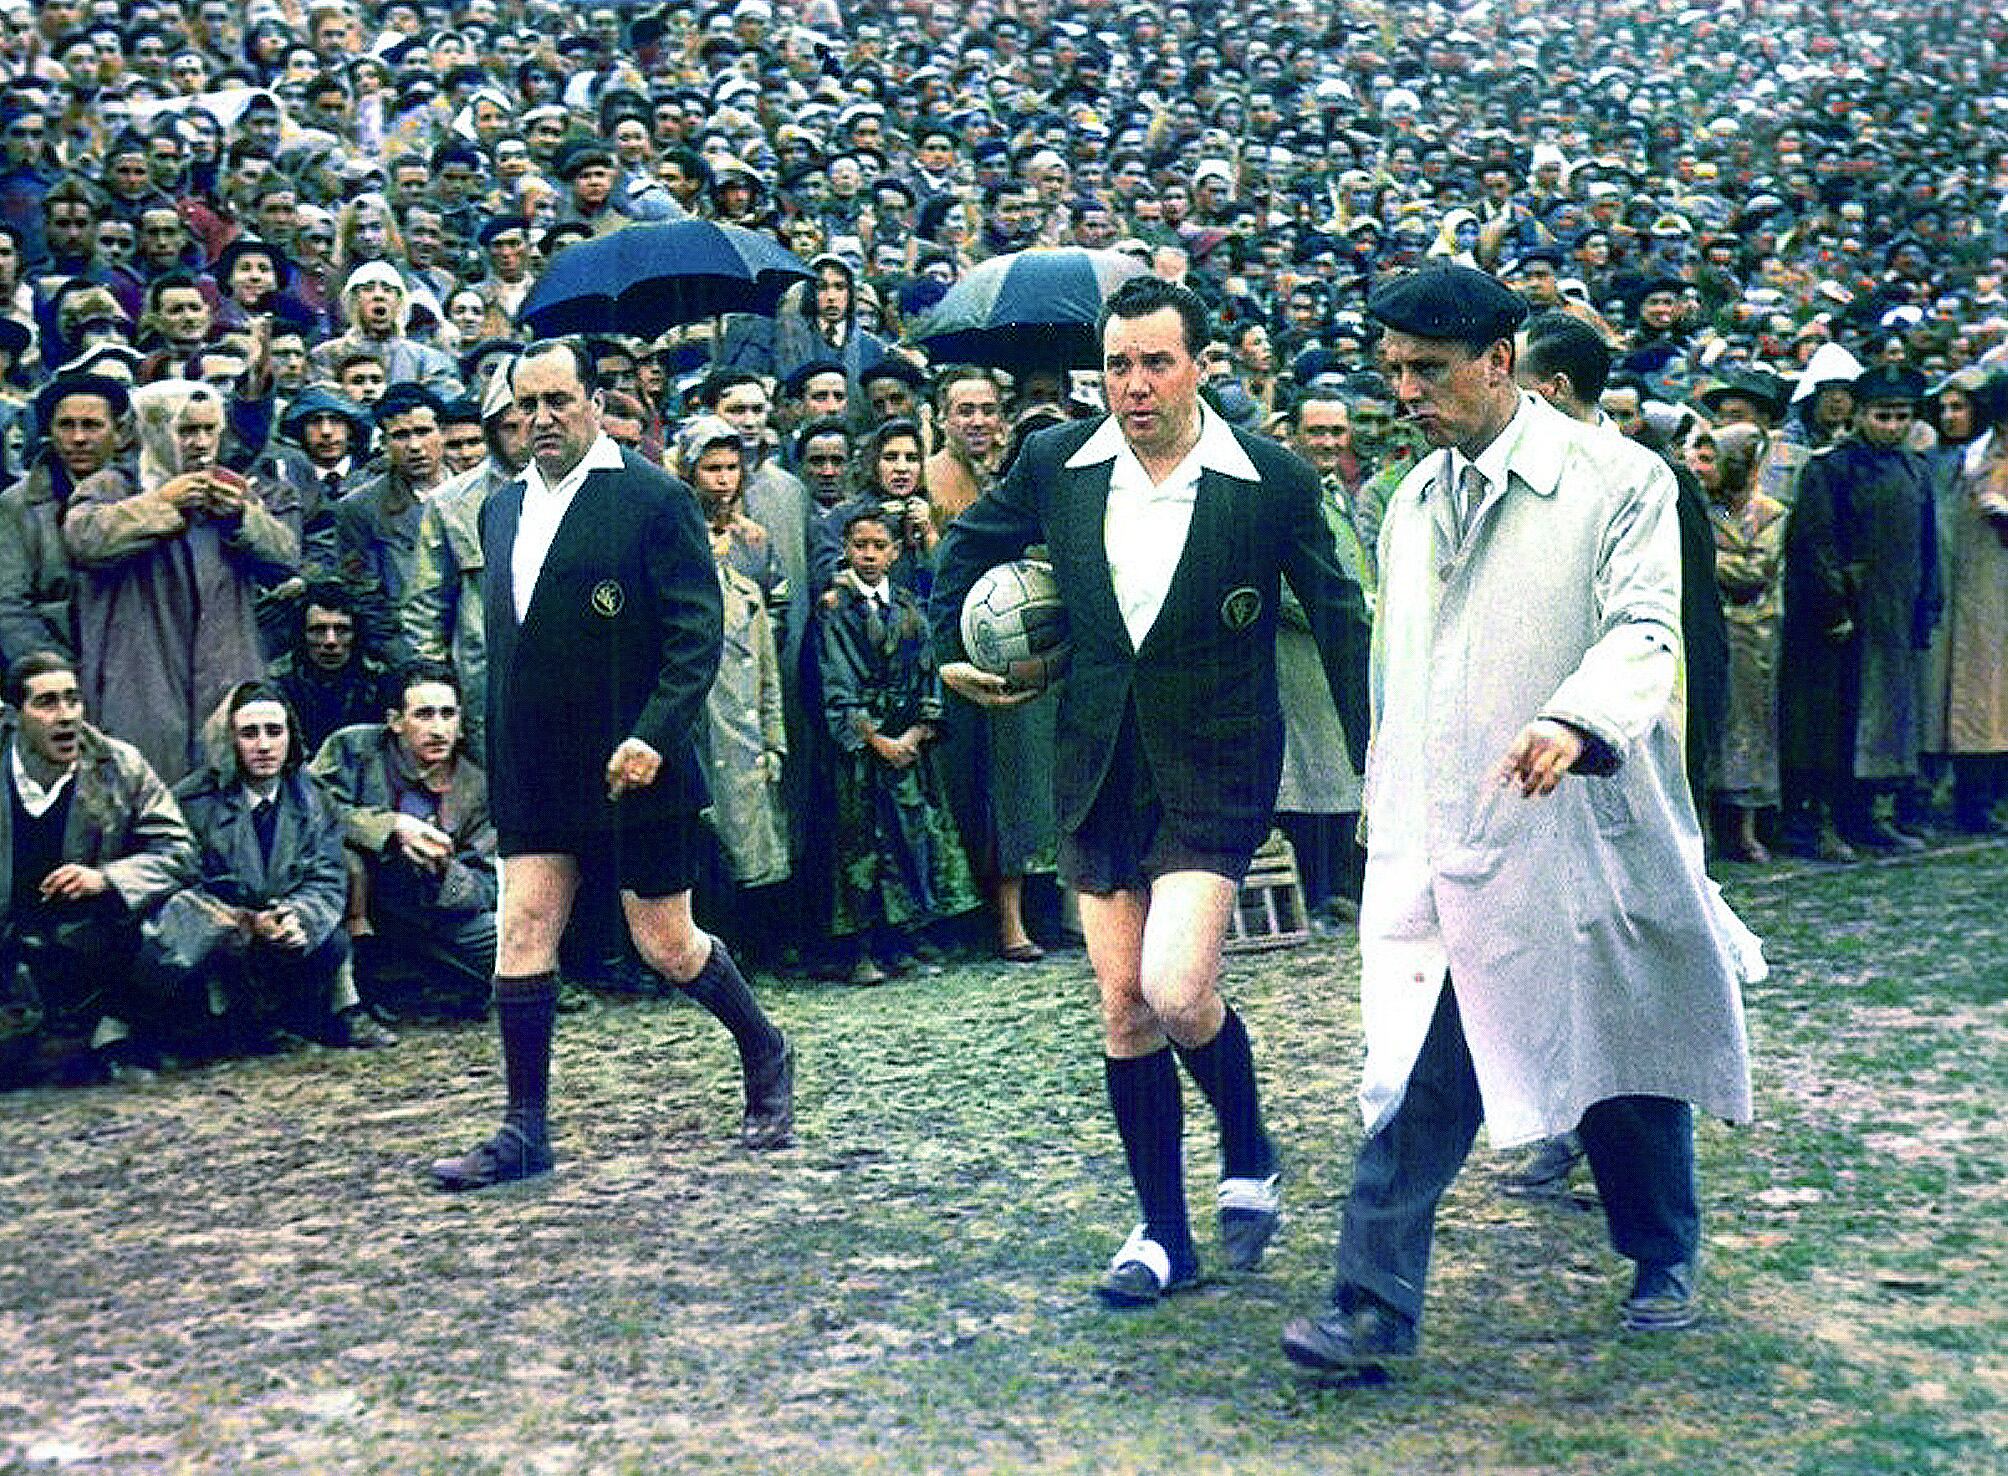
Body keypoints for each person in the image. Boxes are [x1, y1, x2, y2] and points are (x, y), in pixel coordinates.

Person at [1278, 266, 1756, 1377]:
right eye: (1391, 369)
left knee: (1617, 1053)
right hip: (1450, 836)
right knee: (1424, 1071)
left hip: (1580, 819)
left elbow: (1646, 627)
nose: (1405, 391)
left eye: (1427, 370)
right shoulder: (1407, 501)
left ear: (1500, 361)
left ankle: (1663, 1252)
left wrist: (1576, 720)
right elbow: (1402, 672)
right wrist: (1388, 805)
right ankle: (1369, 1306)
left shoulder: (1617, 480)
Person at [929, 277, 1372, 1306]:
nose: (1132, 385)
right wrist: (946, 654)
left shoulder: (1267, 480)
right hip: (1096, 763)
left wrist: (1379, 764)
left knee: (1178, 990)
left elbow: (1342, 620)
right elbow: (964, 551)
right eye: (1116, 365)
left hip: (1216, 762)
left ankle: (1250, 1147)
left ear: (1200, 366)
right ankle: (1160, 1234)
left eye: (1154, 362)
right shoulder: (1056, 463)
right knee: (1124, 1007)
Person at [429, 338, 793, 1191]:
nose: (541, 419)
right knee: (520, 932)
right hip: (537, 768)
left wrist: (654, 735)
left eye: (558, 400)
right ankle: (524, 1131)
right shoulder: (500, 508)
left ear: (595, 398)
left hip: (636, 764)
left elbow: (694, 636)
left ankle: (766, 1047)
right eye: (527, 405)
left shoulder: (653, 497)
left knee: (665, 945)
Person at [63, 380, 299, 785]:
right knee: (141, 790)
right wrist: (161, 504)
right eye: (187, 431)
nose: (200, 443)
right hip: (138, 678)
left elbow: (285, 558)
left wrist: (240, 518)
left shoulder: (231, 490)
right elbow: (85, 540)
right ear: (154, 431)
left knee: (224, 792)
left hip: (225, 674)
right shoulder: (112, 486)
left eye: (210, 430)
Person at [154, 681, 395, 1054]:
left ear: (290, 737)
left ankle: (313, 1015)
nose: (264, 746)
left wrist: (297, 918)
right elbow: (179, 880)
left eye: (274, 732)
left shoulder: (314, 798)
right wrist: (245, 920)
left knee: (332, 943)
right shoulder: (194, 802)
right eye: (249, 734)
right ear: (230, 740)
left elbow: (326, 876)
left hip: (284, 929)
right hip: (222, 934)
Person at [0, 650, 195, 1086]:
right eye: (47, 703)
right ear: (15, 716)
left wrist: (106, 878)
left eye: (73, 700)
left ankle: (115, 1029)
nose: (65, 716)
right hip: (9, 942)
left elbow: (180, 852)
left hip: (88, 941)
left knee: (187, 916)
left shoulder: (118, 766)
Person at [1778, 367, 1938, 859]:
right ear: (1860, 415)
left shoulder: (1915, 469)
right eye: (1882, 416)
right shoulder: (1832, 468)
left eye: (1902, 418)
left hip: (1895, 616)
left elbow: (1929, 545)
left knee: (1885, 721)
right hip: (1844, 621)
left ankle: (1865, 817)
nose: (1892, 427)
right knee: (1837, 720)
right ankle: (1818, 823)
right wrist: (1834, 605)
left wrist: (1927, 605)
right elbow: (1816, 543)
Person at [817, 501, 979, 985]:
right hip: (862, 748)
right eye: (859, 546)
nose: (868, 555)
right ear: (846, 550)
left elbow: (928, 672)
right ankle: (860, 946)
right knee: (859, 843)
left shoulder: (910, 608)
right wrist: (872, 736)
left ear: (893, 552)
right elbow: (835, 680)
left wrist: (915, 733)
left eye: (878, 546)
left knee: (909, 837)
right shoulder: (835, 609)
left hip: (907, 742)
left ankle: (901, 938)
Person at [308, 662, 496, 1022]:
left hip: (427, 909)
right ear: (395, 721)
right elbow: (310, 810)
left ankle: (415, 981)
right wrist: (390, 828)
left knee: (501, 941)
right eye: (424, 715)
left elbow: (487, 882)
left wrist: (444, 872)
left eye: (447, 714)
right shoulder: (352, 749)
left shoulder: (476, 787)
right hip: (352, 902)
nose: (438, 729)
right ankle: (348, 1001)